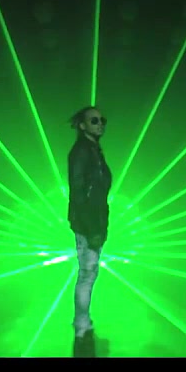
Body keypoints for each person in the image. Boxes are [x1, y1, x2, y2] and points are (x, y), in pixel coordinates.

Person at [67, 105, 111, 340]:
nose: (100, 123)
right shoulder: (82, 152)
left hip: (95, 222)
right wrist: (91, 228)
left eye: (102, 119)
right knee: (87, 274)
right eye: (94, 120)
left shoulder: (94, 151)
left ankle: (82, 321)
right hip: (88, 224)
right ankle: (81, 324)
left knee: (89, 273)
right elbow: (78, 193)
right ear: (82, 125)